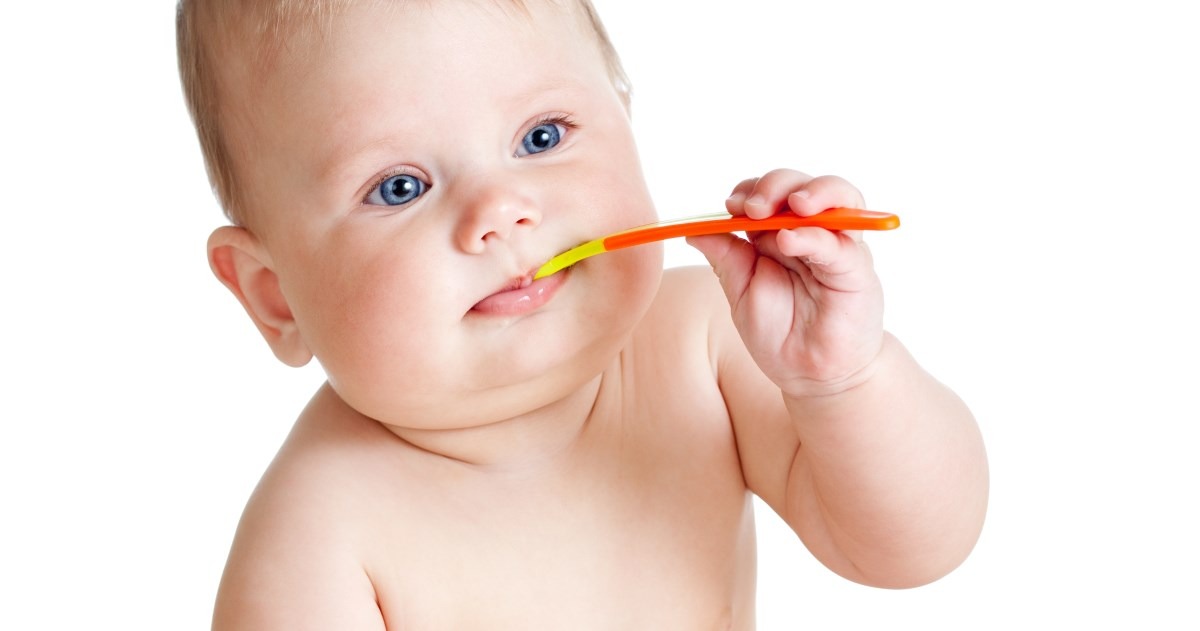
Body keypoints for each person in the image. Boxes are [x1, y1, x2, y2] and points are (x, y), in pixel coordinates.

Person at [176, 0, 988, 627]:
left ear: (625, 118)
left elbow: (915, 548)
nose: (502, 209)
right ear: (274, 296)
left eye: (540, 136)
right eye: (400, 187)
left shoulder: (702, 345)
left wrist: (843, 380)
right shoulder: (320, 532)